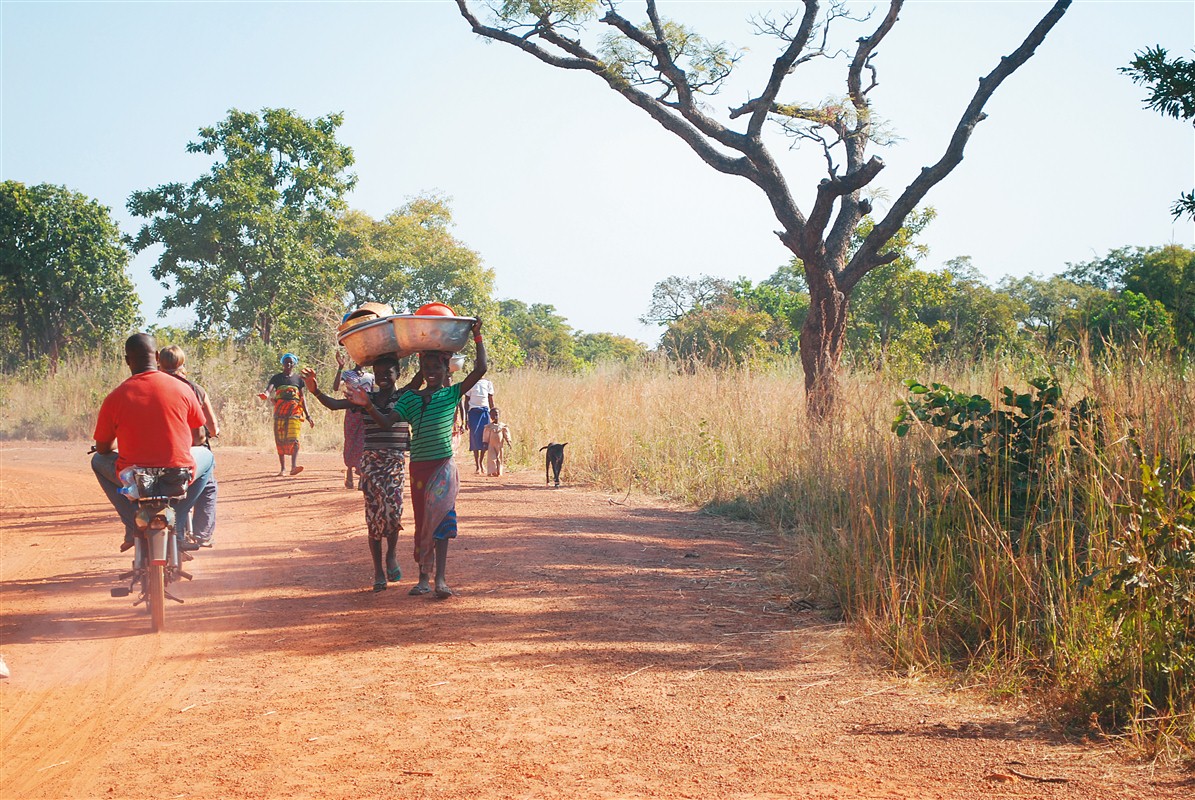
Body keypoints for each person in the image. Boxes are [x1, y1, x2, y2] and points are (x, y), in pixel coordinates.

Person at [350, 318, 487, 599]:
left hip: (442, 466)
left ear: (444, 368)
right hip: (418, 469)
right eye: (427, 368)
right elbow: (388, 422)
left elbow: (481, 368)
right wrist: (367, 405)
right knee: (424, 522)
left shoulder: (451, 394)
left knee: (444, 519)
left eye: (436, 367)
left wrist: (477, 337)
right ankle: (423, 578)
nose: (432, 372)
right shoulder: (410, 399)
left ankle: (441, 580)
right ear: (422, 371)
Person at [304, 358, 421, 592]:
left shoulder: (405, 396)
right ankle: (378, 570)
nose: (382, 376)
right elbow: (335, 405)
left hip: (395, 461)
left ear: (398, 373)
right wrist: (315, 390)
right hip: (370, 462)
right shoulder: (367, 398)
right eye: (378, 373)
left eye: (388, 371)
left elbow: (420, 377)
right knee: (373, 516)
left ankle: (392, 555)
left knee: (394, 511)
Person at [92, 333, 215, 551]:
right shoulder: (183, 388)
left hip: (135, 479)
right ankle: (179, 516)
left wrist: (117, 445)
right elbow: (199, 438)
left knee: (97, 461)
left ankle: (132, 524)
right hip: (176, 475)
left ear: (127, 360)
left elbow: (102, 449)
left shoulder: (116, 396)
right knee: (208, 458)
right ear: (157, 357)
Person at [158, 345, 220, 547]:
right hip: (189, 451)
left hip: (159, 451)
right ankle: (202, 533)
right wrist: (215, 431)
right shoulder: (195, 389)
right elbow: (208, 425)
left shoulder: (154, 386)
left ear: (159, 362)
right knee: (208, 485)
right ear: (183, 364)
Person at [263, 354, 312, 476]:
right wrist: (265, 395)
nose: (289, 364)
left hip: (295, 411)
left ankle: (293, 466)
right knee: (280, 438)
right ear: (283, 363)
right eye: (286, 362)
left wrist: (308, 415)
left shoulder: (299, 380)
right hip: (280, 411)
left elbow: (302, 398)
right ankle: (283, 468)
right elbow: (268, 390)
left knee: (294, 438)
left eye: (291, 362)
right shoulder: (276, 378)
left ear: (294, 364)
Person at [332, 350, 373, 490]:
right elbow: (336, 387)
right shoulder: (347, 374)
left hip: (366, 413)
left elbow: (373, 394)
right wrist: (340, 368)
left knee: (363, 443)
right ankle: (349, 469)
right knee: (350, 440)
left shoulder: (370, 376)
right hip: (351, 412)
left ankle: (361, 476)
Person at [464, 372, 495, 474]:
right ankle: (477, 465)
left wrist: (493, 413)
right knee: (474, 437)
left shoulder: (487, 383)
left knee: (485, 438)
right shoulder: (470, 383)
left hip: (485, 412)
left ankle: (481, 462)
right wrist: (466, 418)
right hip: (473, 413)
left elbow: (491, 399)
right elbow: (466, 401)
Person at [482, 408, 513, 477]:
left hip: (500, 445)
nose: (495, 416)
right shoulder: (489, 427)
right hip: (491, 445)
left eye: (496, 414)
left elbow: (506, 434)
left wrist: (508, 441)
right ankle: (492, 471)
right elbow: (486, 435)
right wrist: (485, 442)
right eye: (493, 415)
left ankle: (499, 471)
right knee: (491, 458)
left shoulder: (503, 426)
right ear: (490, 416)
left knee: (500, 458)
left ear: (499, 415)